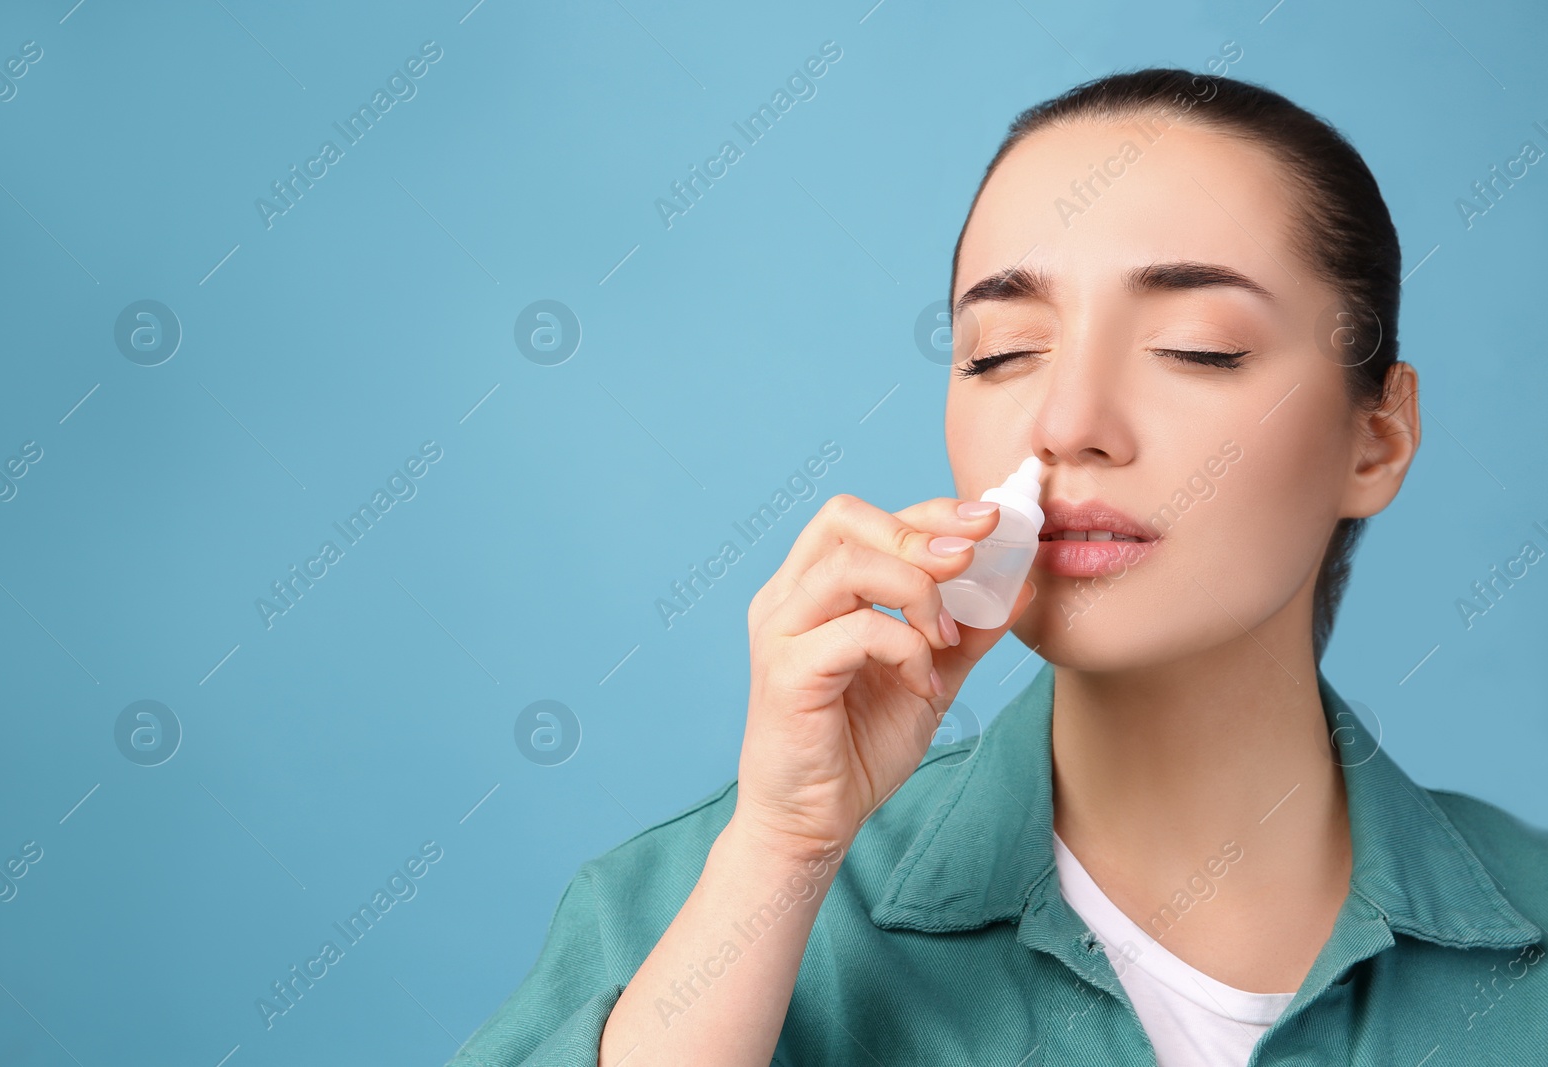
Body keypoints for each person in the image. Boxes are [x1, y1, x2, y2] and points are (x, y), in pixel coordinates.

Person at [447, 68, 1548, 1066]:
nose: (1066, 421)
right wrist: (781, 858)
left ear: (1377, 436)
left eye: (1198, 346)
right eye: (1000, 354)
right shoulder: (691, 905)